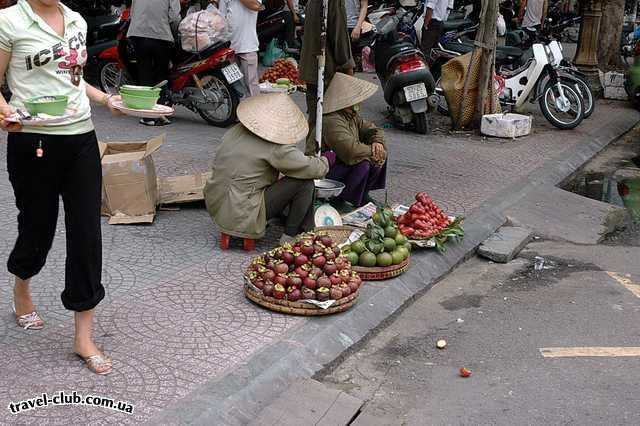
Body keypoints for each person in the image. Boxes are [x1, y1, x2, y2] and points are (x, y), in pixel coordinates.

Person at [0, 0, 124, 375]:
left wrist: (104, 99)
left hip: (81, 139)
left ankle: (83, 336)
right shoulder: (10, 21)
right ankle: (22, 288)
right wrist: (5, 113)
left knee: (87, 233)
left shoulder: (76, 20)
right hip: (32, 140)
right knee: (38, 227)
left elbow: (70, 76)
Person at [204, 93, 329, 243]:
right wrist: (326, 160)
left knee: (277, 178)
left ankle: (287, 222)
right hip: (243, 212)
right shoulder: (275, 146)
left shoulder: (236, 130)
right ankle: (290, 236)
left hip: (216, 202)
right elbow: (311, 168)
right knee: (304, 183)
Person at [308, 73, 387, 208]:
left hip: (342, 160)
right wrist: (373, 151)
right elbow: (350, 151)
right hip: (324, 170)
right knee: (365, 163)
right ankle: (343, 199)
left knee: (380, 151)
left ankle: (362, 195)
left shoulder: (351, 116)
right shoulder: (331, 120)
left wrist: (377, 143)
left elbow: (374, 130)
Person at [299, 0, 355, 133]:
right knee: (331, 128)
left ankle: (313, 152)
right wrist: (348, 69)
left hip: (313, 70)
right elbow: (339, 37)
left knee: (316, 125)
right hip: (327, 73)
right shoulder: (333, 2)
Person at [127, 0, 181, 126]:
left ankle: (147, 116)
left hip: (138, 35)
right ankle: (159, 114)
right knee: (161, 76)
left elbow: (132, 13)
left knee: (144, 75)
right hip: (161, 36)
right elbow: (174, 17)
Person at [218, 0, 262, 97]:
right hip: (229, 46)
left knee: (252, 84)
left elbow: (257, 6)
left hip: (248, 45)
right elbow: (221, 17)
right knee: (232, 83)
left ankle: (255, 109)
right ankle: (236, 108)